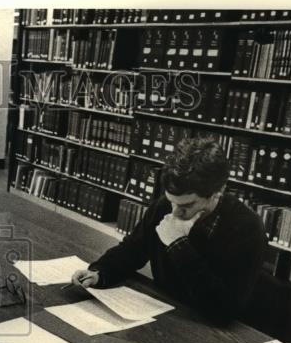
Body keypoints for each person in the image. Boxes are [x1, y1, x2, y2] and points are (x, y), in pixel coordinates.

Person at [71, 137, 267, 324]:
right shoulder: (165, 205)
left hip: (211, 327)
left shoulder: (247, 227)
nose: (175, 212)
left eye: (187, 205)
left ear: (217, 193)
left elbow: (223, 310)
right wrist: (100, 272)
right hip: (166, 312)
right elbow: (132, 250)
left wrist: (178, 244)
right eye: (172, 201)